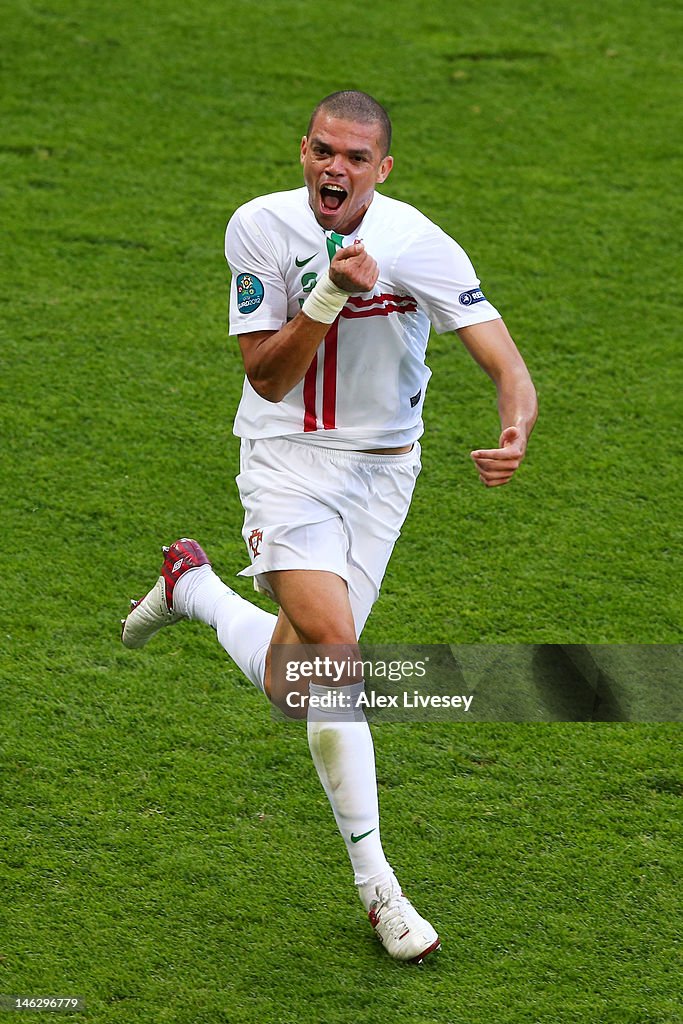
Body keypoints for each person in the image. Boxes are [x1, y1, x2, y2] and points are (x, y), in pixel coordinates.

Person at [122, 90, 537, 963]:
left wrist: (515, 427)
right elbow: (266, 379)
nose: (333, 170)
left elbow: (503, 358)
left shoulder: (418, 242)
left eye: (354, 158)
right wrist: (324, 297)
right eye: (322, 151)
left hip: (385, 477)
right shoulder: (259, 231)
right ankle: (379, 889)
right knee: (336, 659)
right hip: (285, 468)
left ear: (381, 171)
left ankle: (190, 587)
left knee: (296, 685)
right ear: (302, 152)